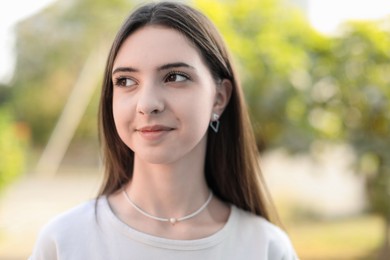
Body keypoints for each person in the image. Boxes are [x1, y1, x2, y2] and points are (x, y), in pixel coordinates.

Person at [30, 2, 298, 259]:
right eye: (126, 81)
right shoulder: (63, 243)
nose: (147, 104)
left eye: (175, 77)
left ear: (219, 97)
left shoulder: (265, 248)